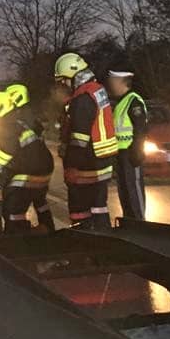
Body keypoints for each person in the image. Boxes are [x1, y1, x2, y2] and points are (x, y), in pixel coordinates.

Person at [54, 52, 118, 230]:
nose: (63, 85)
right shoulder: (97, 89)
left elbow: (79, 139)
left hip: (87, 163)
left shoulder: (82, 99)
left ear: (72, 76)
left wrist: (72, 165)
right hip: (102, 160)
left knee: (80, 209)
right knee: (99, 207)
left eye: (63, 81)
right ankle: (104, 241)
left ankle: (83, 241)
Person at [0, 84, 55, 232]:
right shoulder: (18, 122)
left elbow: (7, 151)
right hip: (44, 169)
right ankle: (48, 230)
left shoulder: (6, 125)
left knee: (12, 207)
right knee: (39, 201)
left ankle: (17, 237)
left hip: (29, 172)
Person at [106, 63, 148, 222]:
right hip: (121, 155)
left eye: (114, 81)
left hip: (131, 154)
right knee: (124, 192)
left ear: (122, 81)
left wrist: (137, 151)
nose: (111, 84)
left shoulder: (133, 101)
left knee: (134, 192)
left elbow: (140, 128)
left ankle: (140, 226)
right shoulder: (121, 102)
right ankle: (129, 224)